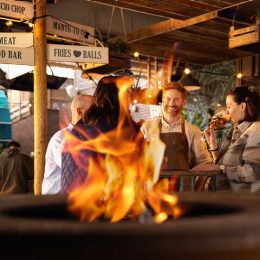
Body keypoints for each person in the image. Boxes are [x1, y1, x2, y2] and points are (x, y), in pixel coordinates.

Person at [61, 75, 137, 193]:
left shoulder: (81, 126)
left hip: (80, 198)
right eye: (127, 93)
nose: (130, 99)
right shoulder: (127, 127)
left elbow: (69, 170)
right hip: (113, 199)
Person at [140, 81, 211, 190]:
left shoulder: (192, 130)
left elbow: (205, 163)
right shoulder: (147, 127)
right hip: (153, 191)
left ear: (183, 102)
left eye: (176, 99)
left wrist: (196, 189)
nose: (171, 103)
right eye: (168, 99)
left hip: (183, 191)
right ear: (163, 101)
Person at [191, 85, 260, 192]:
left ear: (242, 106)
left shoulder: (256, 130)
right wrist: (213, 146)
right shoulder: (236, 130)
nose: (227, 112)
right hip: (228, 199)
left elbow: (253, 172)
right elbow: (229, 164)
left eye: (229, 106)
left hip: (245, 203)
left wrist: (217, 168)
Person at [42, 94, 93, 194]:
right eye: (93, 111)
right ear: (80, 112)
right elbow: (73, 165)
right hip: (54, 201)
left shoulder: (86, 137)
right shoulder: (60, 138)